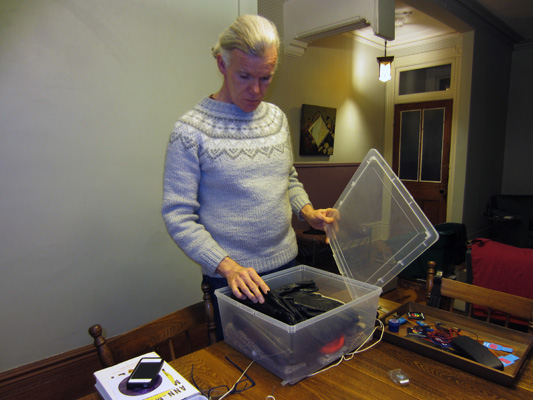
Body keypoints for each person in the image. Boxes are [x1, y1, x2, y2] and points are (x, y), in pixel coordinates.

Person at [162, 14, 333, 340]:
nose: (256, 90)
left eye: (266, 78)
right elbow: (178, 215)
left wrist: (308, 212)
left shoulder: (276, 119)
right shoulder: (190, 131)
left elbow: (288, 177)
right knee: (245, 362)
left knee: (299, 351)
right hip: (234, 278)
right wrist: (227, 266)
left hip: (287, 263)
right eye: (244, 76)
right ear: (222, 64)